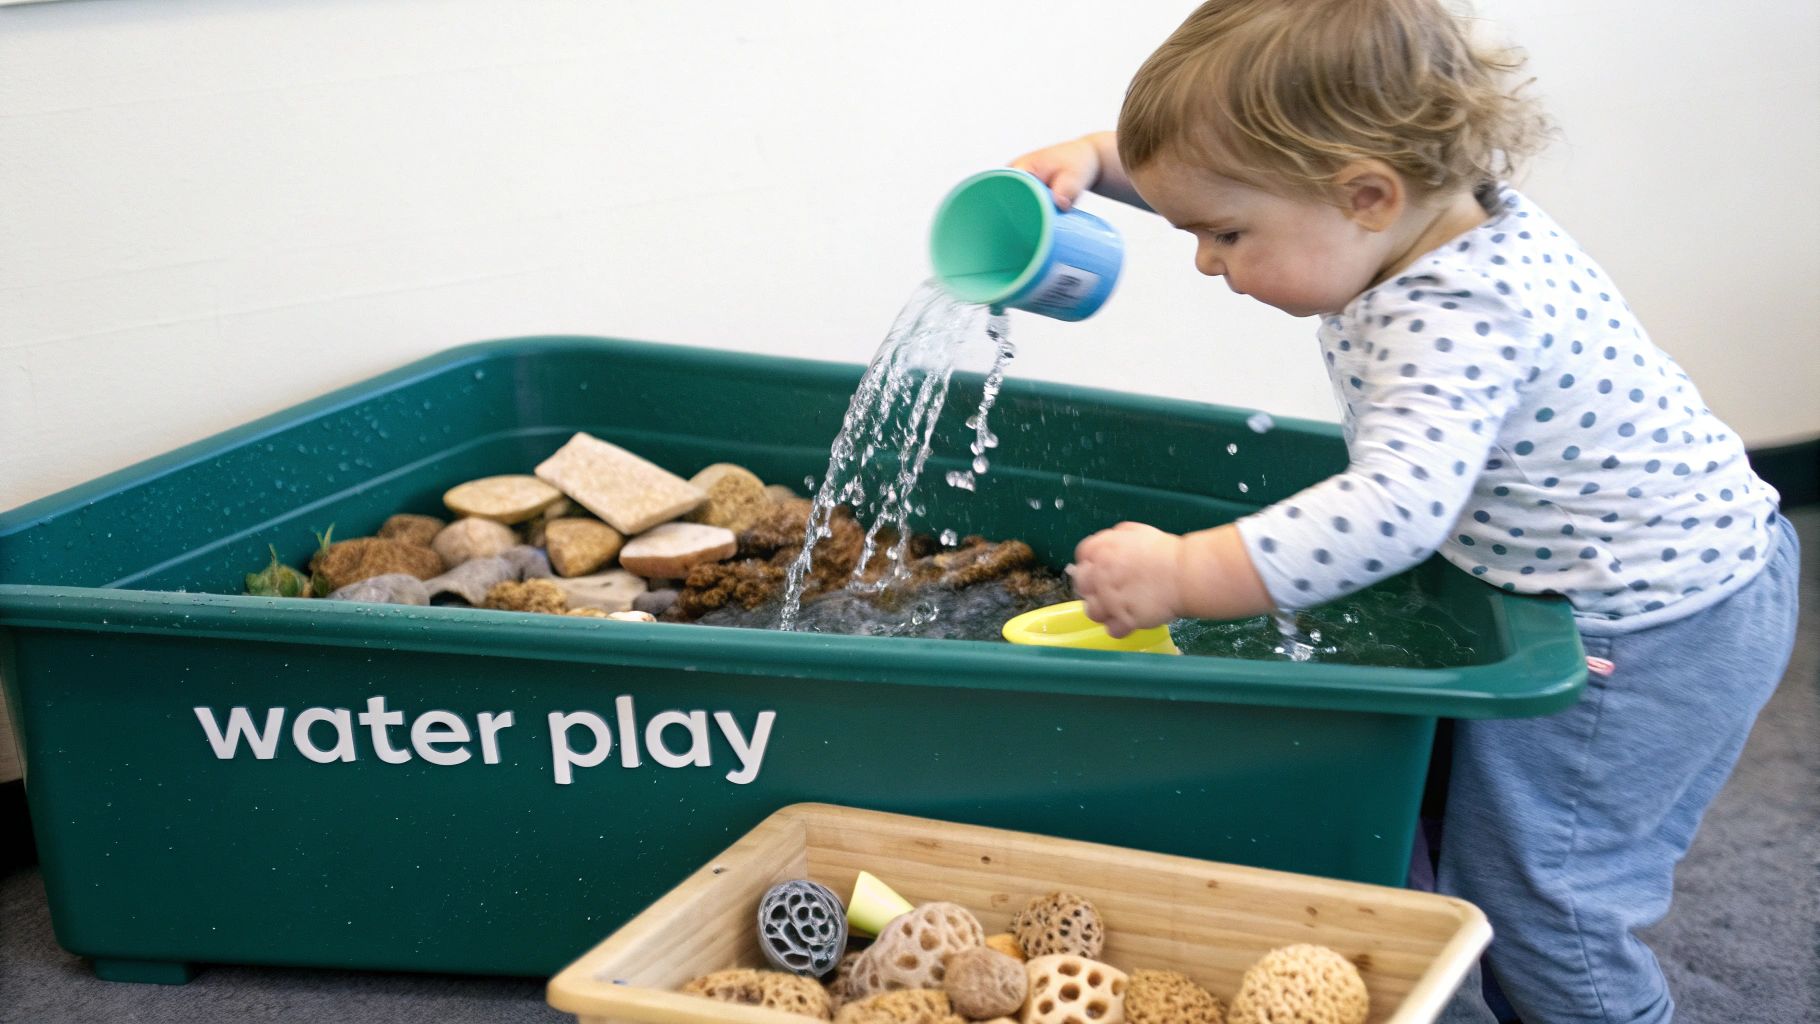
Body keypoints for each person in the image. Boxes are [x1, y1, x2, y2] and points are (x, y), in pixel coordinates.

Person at [1010, 2, 1801, 1022]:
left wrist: (1182, 572)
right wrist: (1092, 161)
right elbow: (1235, 161)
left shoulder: (1453, 313)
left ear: (1367, 195)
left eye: (1223, 233)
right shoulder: (1426, 202)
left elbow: (1389, 512)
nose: (1204, 260)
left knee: (1544, 901)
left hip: (1648, 625)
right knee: (1464, 823)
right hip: (1627, 569)